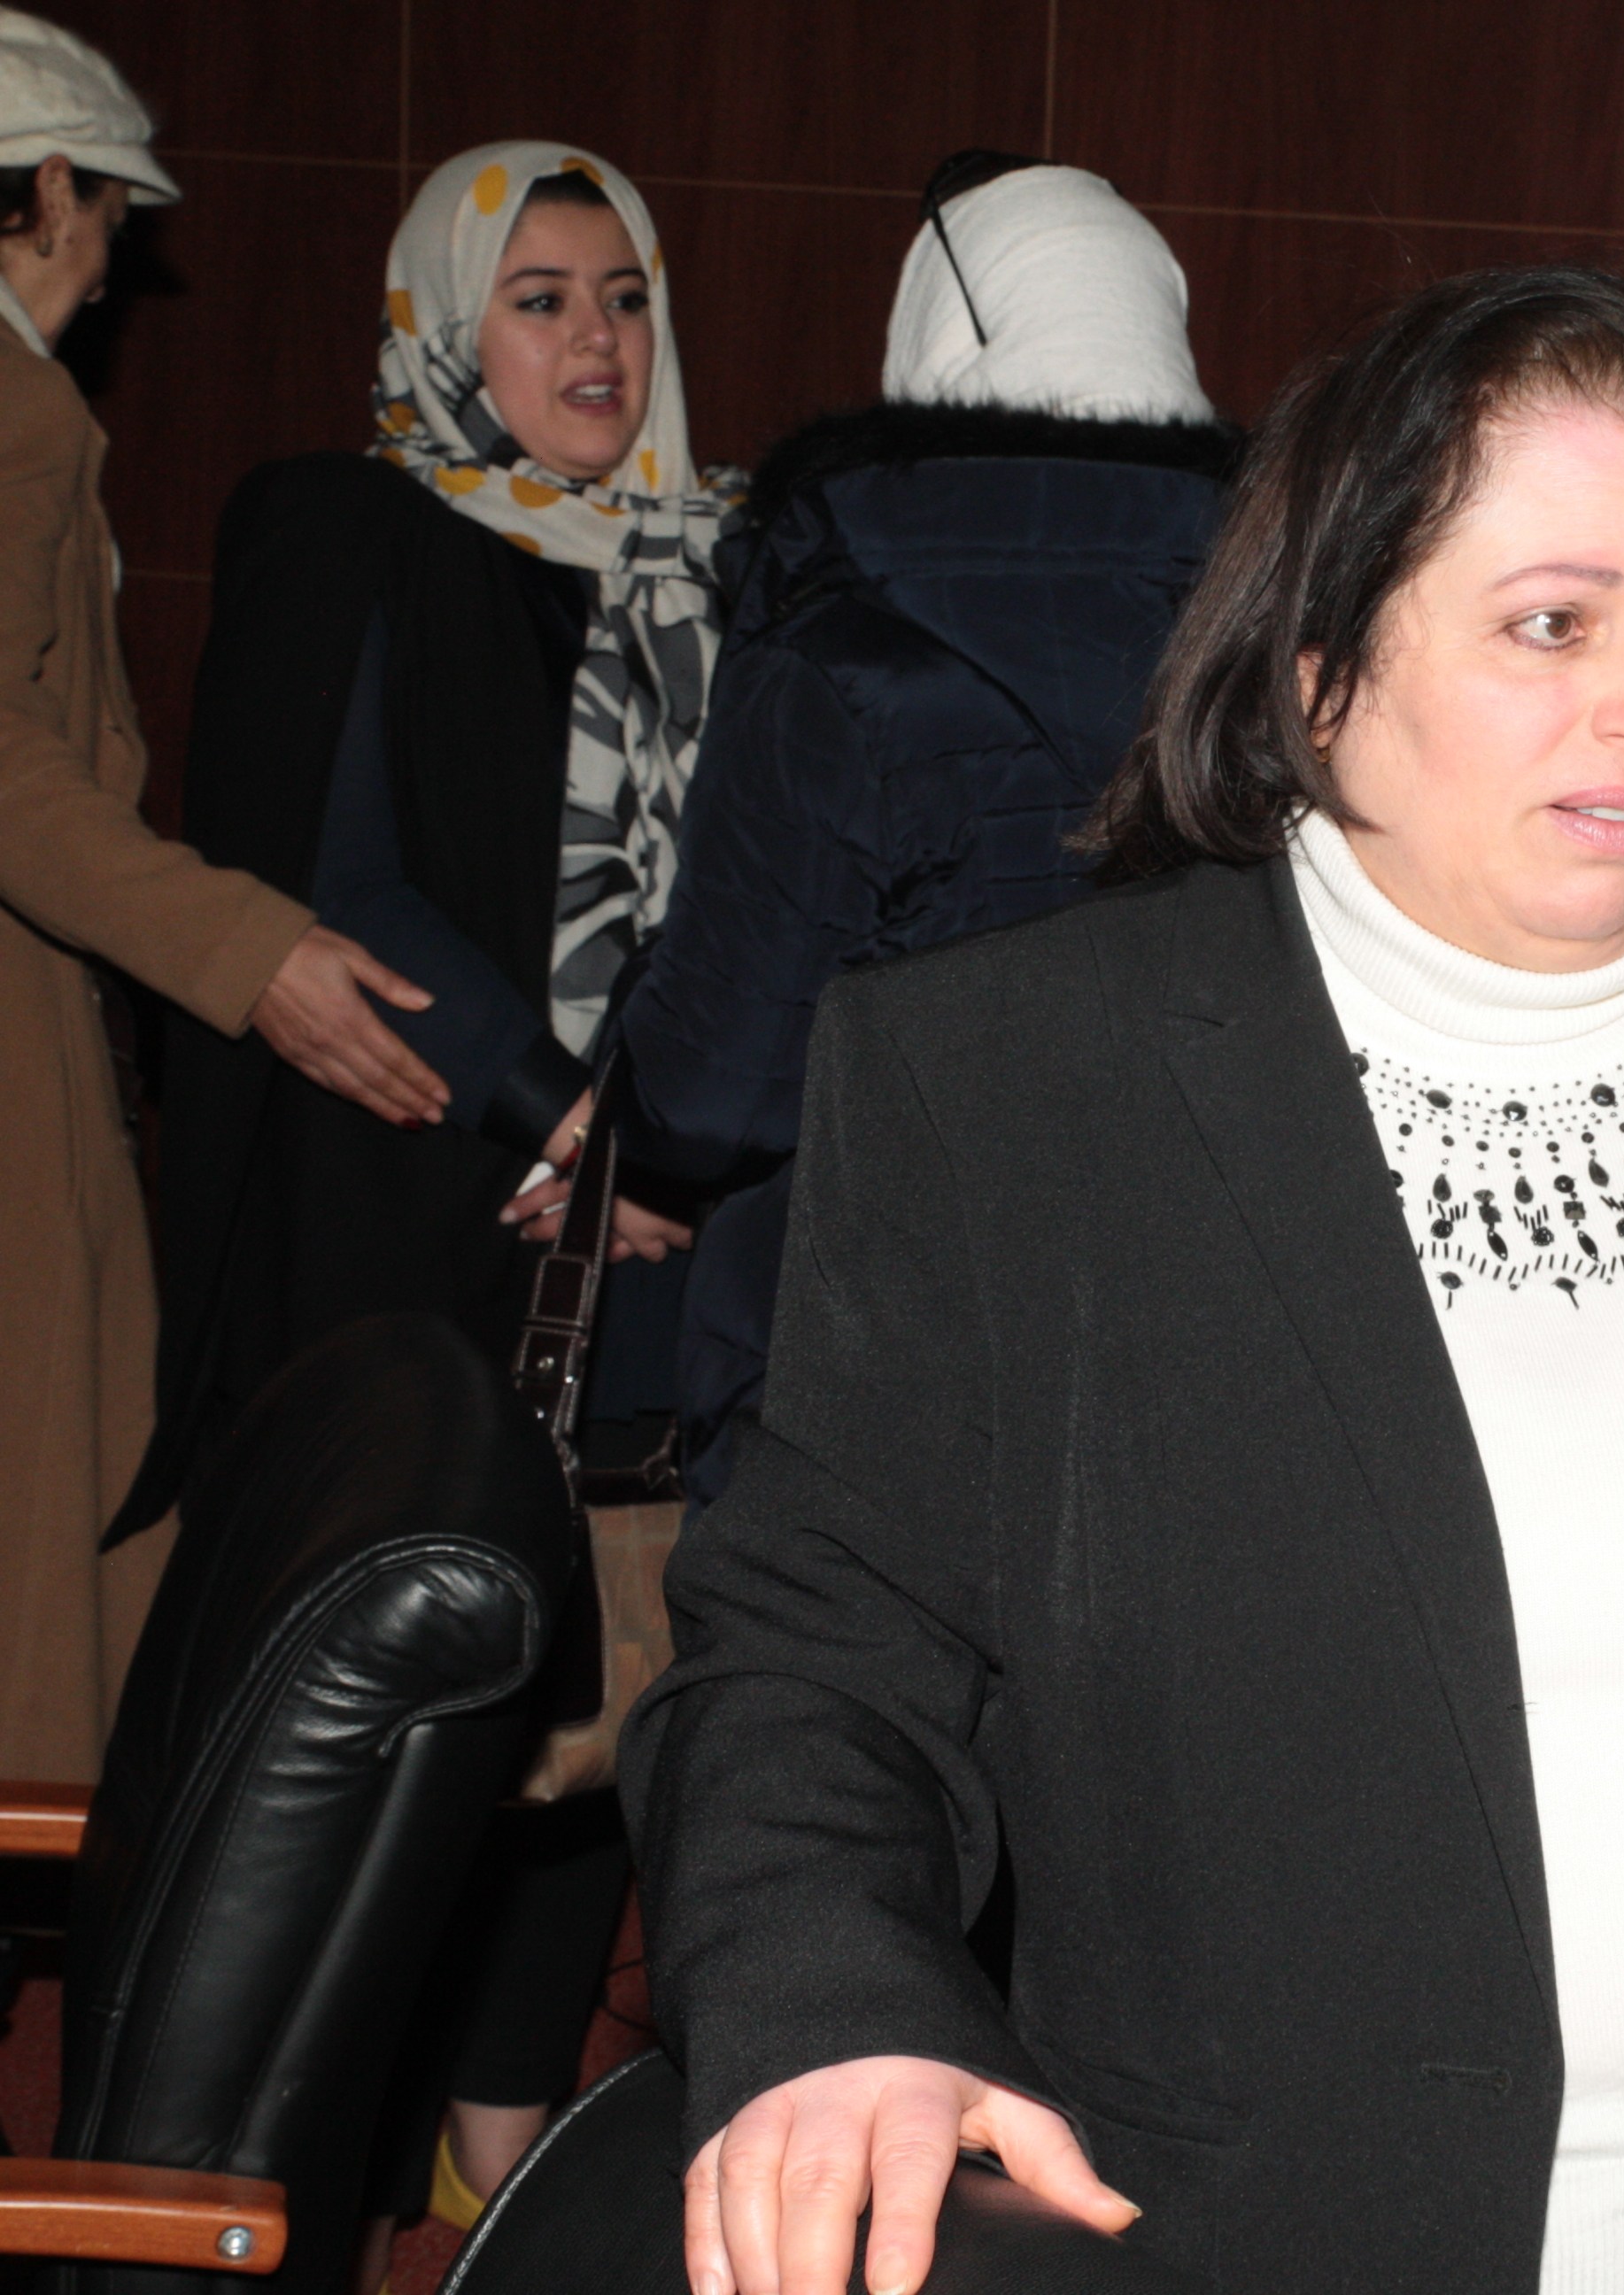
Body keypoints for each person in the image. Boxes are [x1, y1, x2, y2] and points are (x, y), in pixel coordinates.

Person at [622, 267, 1624, 2295]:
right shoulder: (1018, 1077)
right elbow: (811, 1656)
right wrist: (834, 2006)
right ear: (1318, 666)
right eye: (1553, 623)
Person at [134, 141, 734, 2251]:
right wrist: (572, 1125)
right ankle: (293, 2174)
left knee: (590, 1697)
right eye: (540, 300)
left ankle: (504, 2159)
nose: (598, 341)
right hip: (419, 1203)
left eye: (625, 295)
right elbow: (342, 874)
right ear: (444, 326)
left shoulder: (708, 557)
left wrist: (678, 1142)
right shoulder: (347, 521)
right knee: (390, 1724)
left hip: (638, 1209)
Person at [593, 150, 1239, 1511]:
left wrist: (615, 1083)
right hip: (1195, 1361)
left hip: (860, 1372)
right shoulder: (1299, 657)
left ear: (938, 332)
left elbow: (708, 1095)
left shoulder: (841, 654)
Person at [0, 9, 452, 1782]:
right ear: (43, 189)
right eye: (108, 212)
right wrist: (247, 950)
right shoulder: (19, 415)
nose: (113, 261)